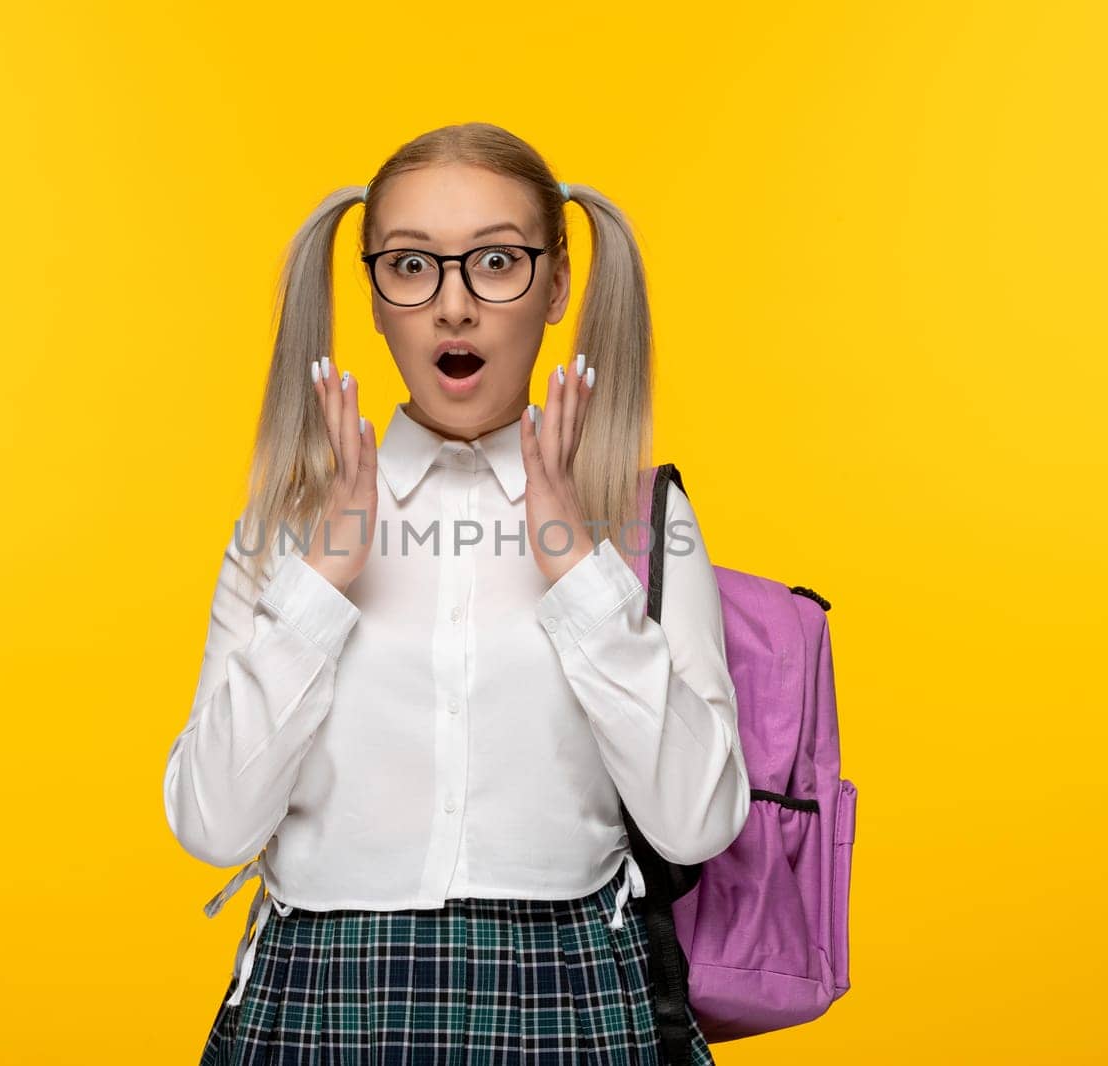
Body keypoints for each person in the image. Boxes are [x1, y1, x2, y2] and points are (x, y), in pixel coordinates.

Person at [163, 121, 750, 1064]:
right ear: (377, 293)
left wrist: (578, 570)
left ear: (556, 284)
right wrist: (323, 581)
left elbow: (698, 819)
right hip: (323, 1000)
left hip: (569, 999)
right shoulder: (287, 524)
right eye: (412, 266)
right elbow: (211, 824)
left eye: (495, 262)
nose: (454, 307)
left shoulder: (641, 523)